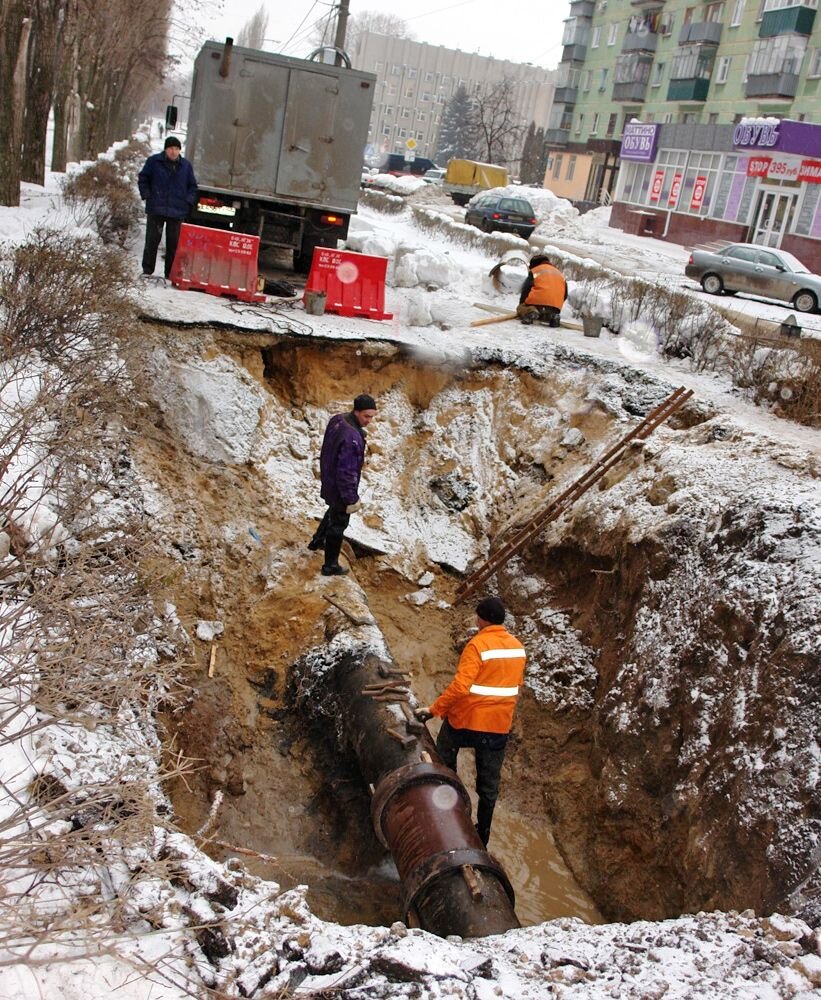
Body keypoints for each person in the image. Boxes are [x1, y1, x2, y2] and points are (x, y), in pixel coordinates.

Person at [423, 596, 526, 847]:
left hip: (466, 722)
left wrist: (434, 710)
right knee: (489, 787)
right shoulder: (517, 648)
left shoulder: (477, 645)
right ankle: (483, 837)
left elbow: (460, 686)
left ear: (481, 619)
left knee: (445, 755)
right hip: (498, 727)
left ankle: (452, 810)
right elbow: (516, 685)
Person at [308, 394, 377, 577]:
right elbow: (346, 472)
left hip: (329, 477)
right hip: (339, 486)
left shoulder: (338, 420)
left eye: (372, 416)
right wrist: (350, 499)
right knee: (338, 524)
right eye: (366, 416)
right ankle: (330, 565)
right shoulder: (352, 437)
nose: (369, 421)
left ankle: (317, 541)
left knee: (332, 510)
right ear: (356, 411)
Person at [138, 136, 198, 279]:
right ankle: (147, 270)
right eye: (171, 148)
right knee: (152, 241)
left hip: (177, 211)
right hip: (156, 208)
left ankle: (170, 273)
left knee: (173, 245)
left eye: (177, 149)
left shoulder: (186, 166)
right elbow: (143, 178)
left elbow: (192, 187)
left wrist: (187, 201)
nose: (174, 152)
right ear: (165, 149)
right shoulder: (154, 162)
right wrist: (147, 195)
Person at [517, 253, 567, 327]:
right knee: (545, 314)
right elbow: (565, 294)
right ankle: (553, 316)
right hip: (555, 308)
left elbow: (526, 289)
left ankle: (531, 312)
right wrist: (555, 304)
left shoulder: (535, 271)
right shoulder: (560, 274)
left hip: (537, 305)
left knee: (521, 308)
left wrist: (522, 305)